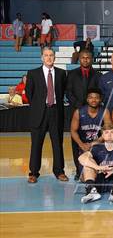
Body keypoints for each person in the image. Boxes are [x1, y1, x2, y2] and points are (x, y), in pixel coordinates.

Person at [25, 48, 68, 183]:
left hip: (56, 111)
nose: (49, 58)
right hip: (39, 113)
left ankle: (59, 171)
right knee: (36, 144)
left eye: (51, 55)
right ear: (41, 58)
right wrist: (39, 106)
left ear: (54, 57)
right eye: (46, 55)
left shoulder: (61, 73)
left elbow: (62, 92)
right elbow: (29, 94)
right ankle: (33, 172)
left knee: (57, 143)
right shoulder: (33, 73)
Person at [66, 49, 102, 179]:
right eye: (83, 57)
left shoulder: (98, 75)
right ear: (79, 59)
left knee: (94, 139)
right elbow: (68, 93)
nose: (85, 60)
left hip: (94, 111)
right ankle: (78, 170)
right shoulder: (71, 74)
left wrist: (91, 106)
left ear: (91, 59)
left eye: (88, 57)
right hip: (77, 111)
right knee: (76, 141)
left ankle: (94, 167)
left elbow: (99, 93)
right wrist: (79, 107)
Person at [78, 123, 113, 204]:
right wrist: (99, 168)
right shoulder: (96, 148)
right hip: (100, 181)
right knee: (88, 164)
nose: (109, 135)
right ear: (102, 136)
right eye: (106, 132)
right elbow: (81, 158)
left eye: (112, 132)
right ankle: (91, 191)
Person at [70, 88, 111, 178]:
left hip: (100, 145)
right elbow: (73, 131)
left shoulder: (105, 112)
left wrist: (93, 144)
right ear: (87, 99)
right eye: (91, 97)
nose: (94, 100)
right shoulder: (78, 112)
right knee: (84, 177)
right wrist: (81, 144)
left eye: (96, 98)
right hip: (84, 146)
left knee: (103, 174)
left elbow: (108, 132)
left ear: (100, 100)